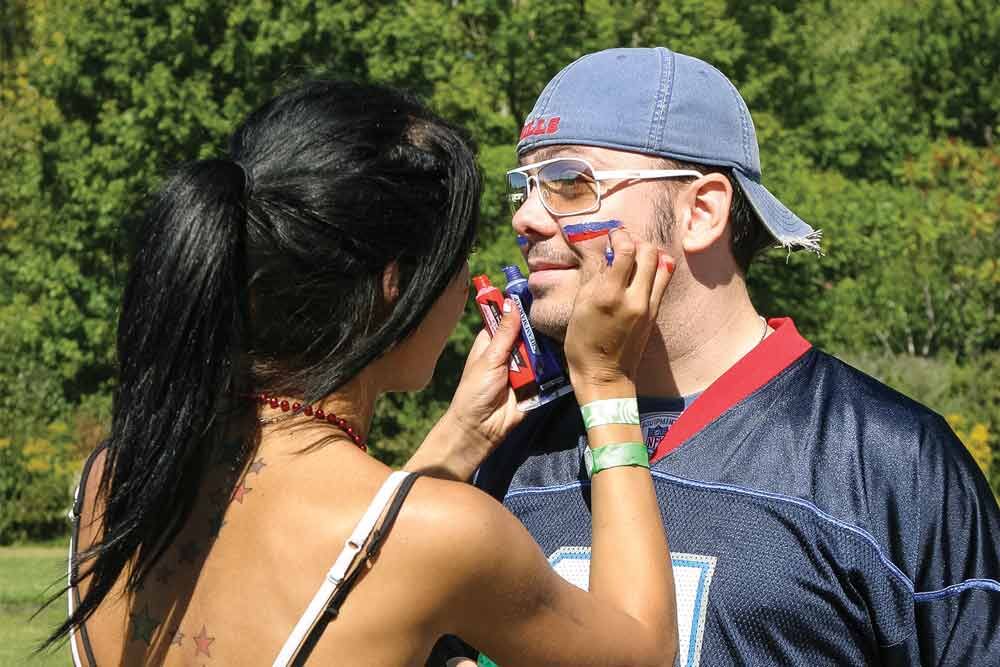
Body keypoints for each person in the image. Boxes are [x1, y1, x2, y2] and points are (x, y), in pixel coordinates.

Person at [50, 79, 683, 666]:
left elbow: (346, 569)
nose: (467, 288)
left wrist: (456, 439)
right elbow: (644, 653)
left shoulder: (115, 476)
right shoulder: (448, 535)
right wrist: (604, 383)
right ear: (395, 288)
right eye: (456, 262)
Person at [436, 47, 1000, 666]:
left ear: (702, 211)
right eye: (525, 187)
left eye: (570, 184)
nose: (525, 218)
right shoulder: (506, 443)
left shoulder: (892, 458)